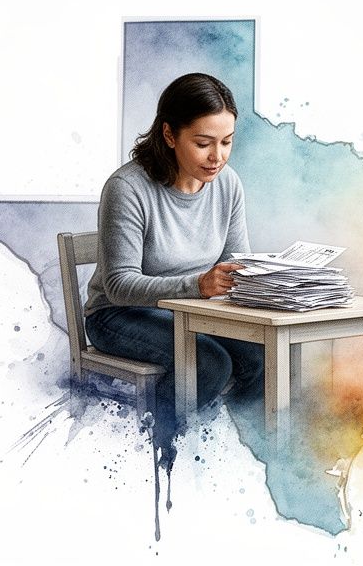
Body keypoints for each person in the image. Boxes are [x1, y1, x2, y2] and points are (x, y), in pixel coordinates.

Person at [83, 72, 264, 425]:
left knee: (262, 356)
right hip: (118, 315)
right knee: (209, 363)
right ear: (169, 135)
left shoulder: (227, 183)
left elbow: (236, 264)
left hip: (192, 311)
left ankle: (233, 444)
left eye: (226, 142)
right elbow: (119, 285)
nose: (217, 157)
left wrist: (271, 284)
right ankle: (158, 443)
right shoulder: (127, 188)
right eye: (203, 143)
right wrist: (198, 285)